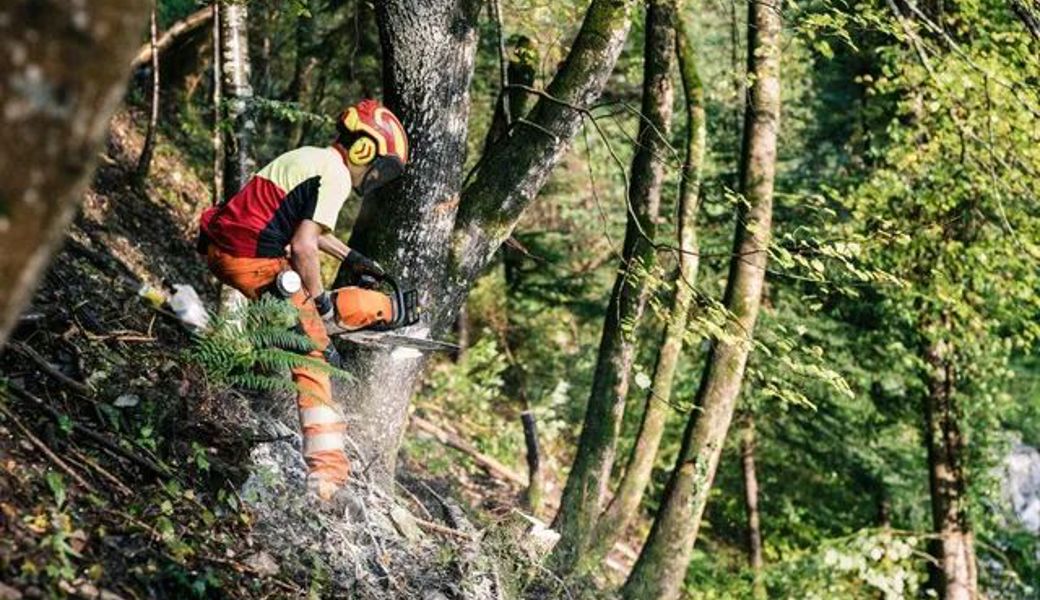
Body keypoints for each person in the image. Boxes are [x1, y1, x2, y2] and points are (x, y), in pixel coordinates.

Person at [197, 99, 409, 500]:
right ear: (365, 150)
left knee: (305, 318)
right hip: (253, 259)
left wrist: (354, 258)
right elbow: (304, 246)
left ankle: (260, 392)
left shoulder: (310, 158)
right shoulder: (337, 175)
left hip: (224, 250)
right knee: (309, 352)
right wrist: (320, 303)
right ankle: (328, 476)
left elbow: (306, 227)